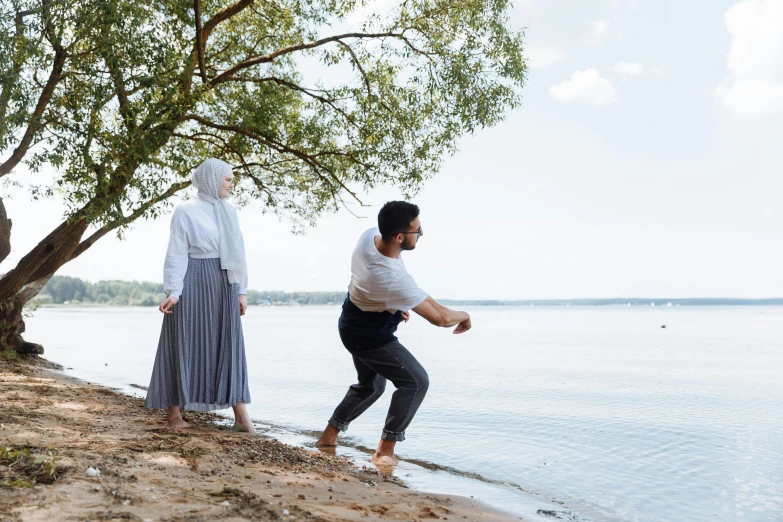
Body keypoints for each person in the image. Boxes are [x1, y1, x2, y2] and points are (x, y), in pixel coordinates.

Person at [315, 201, 471, 465]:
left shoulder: (369, 238)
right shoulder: (388, 277)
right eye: (417, 232)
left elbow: (411, 293)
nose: (421, 235)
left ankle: (327, 437)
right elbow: (441, 318)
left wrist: (393, 304)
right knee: (416, 381)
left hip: (353, 318)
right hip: (369, 334)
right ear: (400, 237)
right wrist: (465, 316)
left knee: (371, 386)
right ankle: (384, 451)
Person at [144, 158, 255, 434]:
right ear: (212, 179)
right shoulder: (186, 210)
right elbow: (177, 252)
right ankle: (173, 415)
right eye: (228, 179)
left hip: (225, 283)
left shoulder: (229, 212)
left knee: (229, 346)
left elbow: (239, 253)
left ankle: (241, 416)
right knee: (181, 340)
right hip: (193, 280)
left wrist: (241, 290)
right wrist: (174, 291)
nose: (232, 184)